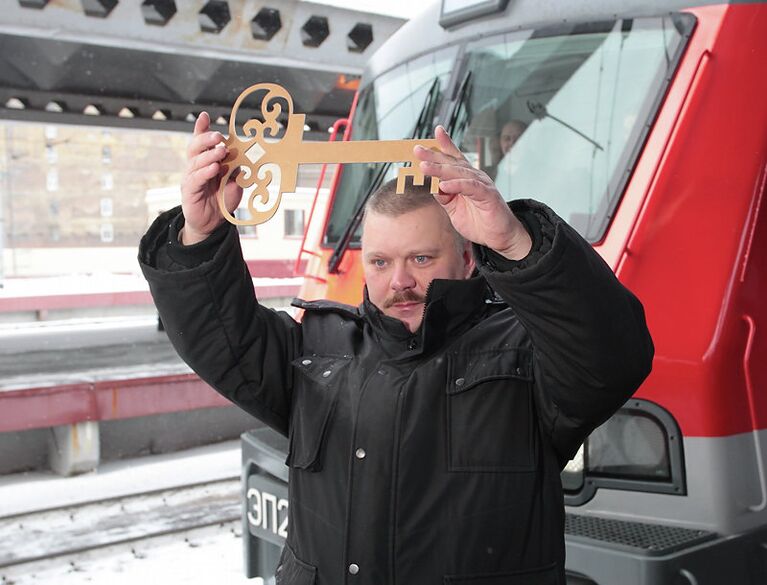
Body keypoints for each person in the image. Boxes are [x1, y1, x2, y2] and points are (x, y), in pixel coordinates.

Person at [138, 112, 653, 585]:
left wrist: (515, 240)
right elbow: (222, 339)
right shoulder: (316, 350)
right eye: (380, 262)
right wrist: (199, 235)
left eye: (422, 258)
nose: (399, 282)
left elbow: (613, 355)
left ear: (469, 260)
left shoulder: (525, 354)